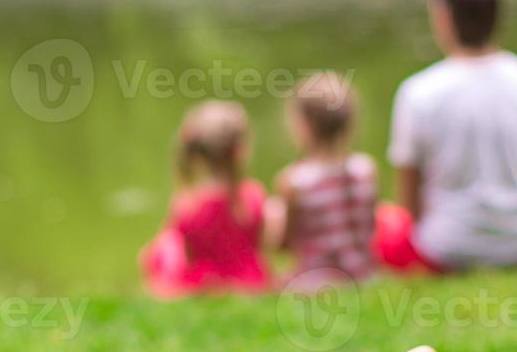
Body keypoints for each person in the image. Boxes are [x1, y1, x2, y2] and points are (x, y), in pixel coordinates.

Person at [378, 0, 517, 273]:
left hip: (446, 251)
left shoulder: (419, 91)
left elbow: (409, 205)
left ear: (443, 16)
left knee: (381, 222)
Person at [140, 101, 270, 298]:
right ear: (240, 149)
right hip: (252, 280)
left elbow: (188, 256)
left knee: (160, 246)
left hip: (206, 283)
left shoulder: (188, 205)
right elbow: (260, 247)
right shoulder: (253, 196)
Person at [269, 72, 377, 284]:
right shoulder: (366, 169)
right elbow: (370, 228)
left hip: (316, 279)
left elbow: (283, 244)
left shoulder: (294, 181)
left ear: (304, 126)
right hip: (364, 275)